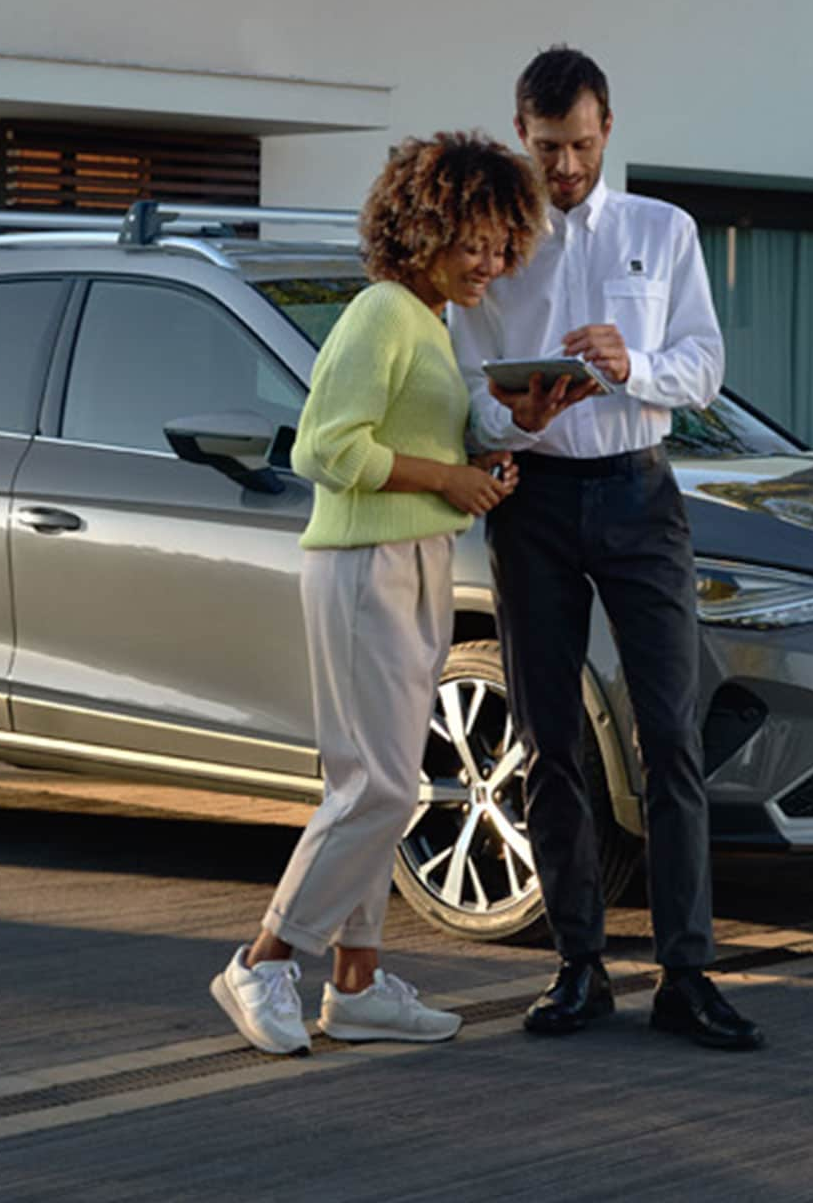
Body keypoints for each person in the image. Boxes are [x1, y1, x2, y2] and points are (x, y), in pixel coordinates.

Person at [452, 46, 762, 1051]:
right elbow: (464, 390)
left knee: (669, 735)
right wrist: (513, 417)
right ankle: (577, 967)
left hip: (639, 496)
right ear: (519, 136)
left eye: (582, 145)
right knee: (548, 741)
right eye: (548, 147)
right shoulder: (492, 249)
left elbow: (705, 366)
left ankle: (687, 972)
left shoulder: (661, 231)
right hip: (533, 504)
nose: (567, 165)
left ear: (608, 130)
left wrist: (636, 367)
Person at [211, 132, 547, 1056]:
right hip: (366, 567)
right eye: (473, 241)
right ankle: (263, 959)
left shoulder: (428, 321)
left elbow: (412, 447)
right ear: (422, 228)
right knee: (382, 784)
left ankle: (355, 985)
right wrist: (446, 480)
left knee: (375, 784)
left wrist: (488, 452)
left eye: (502, 245)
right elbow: (323, 450)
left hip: (415, 561)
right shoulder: (381, 313)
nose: (491, 262)